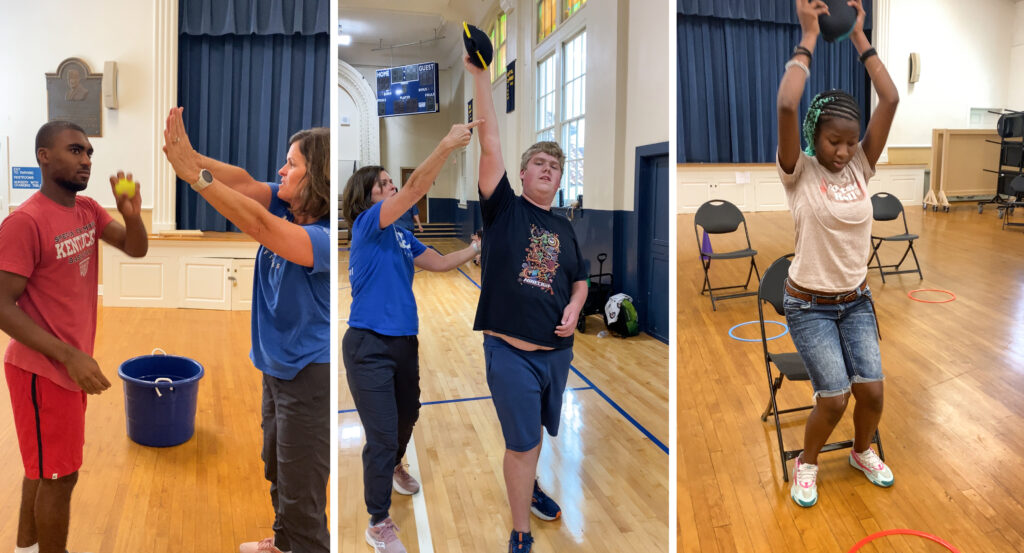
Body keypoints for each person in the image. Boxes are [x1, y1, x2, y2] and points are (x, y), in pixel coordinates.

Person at [161, 107, 331, 553]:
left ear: (317, 178)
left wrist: (196, 179)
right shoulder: (288, 204)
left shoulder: (322, 238)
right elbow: (241, 181)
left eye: (292, 164)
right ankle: (283, 543)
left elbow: (254, 222)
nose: (281, 171)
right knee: (278, 468)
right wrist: (192, 157)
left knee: (303, 492)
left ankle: (302, 545)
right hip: (277, 370)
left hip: (309, 377)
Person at [0, 120, 148, 553]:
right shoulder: (24, 223)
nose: (85, 160)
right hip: (40, 371)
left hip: (68, 366)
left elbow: (134, 247)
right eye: (74, 151)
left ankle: (26, 547)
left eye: (88, 153)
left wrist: (132, 216)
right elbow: (2, 306)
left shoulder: (87, 211)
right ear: (44, 156)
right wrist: (69, 357)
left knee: (43, 467)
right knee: (60, 476)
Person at [776, 0, 899, 508]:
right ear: (814, 136)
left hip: (856, 301)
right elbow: (787, 105)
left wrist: (859, 37)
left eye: (851, 142)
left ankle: (861, 452)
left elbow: (889, 98)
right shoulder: (798, 169)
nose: (844, 152)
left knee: (871, 393)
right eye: (834, 141)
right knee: (834, 397)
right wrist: (808, 35)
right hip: (808, 305)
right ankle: (806, 465)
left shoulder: (859, 168)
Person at [465, 54, 588, 553]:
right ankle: (520, 530)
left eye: (555, 167)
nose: (548, 170)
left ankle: (530, 486)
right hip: (510, 353)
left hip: (556, 357)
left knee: (534, 436)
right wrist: (479, 75)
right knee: (522, 443)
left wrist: (578, 306)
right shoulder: (504, 209)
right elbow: (490, 140)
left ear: (560, 181)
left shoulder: (565, 227)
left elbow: (579, 281)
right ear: (522, 172)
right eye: (539, 162)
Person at [341, 121, 481, 553]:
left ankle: (395, 463)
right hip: (367, 346)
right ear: (370, 197)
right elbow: (417, 188)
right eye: (385, 184)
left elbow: (438, 263)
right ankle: (378, 521)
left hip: (405, 343)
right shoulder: (368, 225)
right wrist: (446, 144)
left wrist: (476, 249)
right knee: (381, 435)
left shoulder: (401, 235)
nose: (393, 187)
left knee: (407, 417)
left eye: (391, 182)